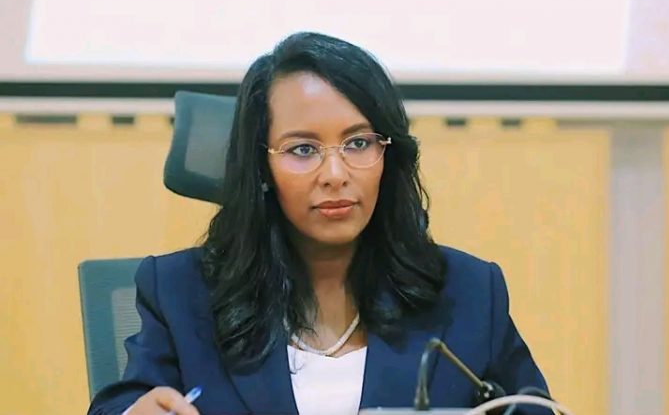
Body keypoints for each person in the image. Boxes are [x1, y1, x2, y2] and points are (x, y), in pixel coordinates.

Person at [88, 32, 548, 415]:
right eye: (303, 149)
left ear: (388, 155)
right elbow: (121, 404)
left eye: (358, 143)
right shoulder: (181, 291)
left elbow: (531, 407)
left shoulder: (468, 291)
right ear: (261, 167)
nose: (335, 174)